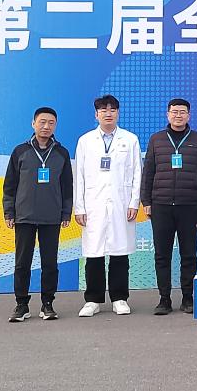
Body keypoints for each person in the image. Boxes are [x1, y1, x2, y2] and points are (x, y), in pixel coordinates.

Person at [141, 98, 197, 315]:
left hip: (189, 206)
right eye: (174, 112)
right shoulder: (157, 139)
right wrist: (146, 201)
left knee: (189, 255)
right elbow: (148, 173)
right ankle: (164, 299)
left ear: (188, 115)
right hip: (161, 205)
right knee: (162, 255)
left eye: (182, 112)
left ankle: (188, 298)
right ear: (168, 114)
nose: (178, 115)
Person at [2, 107, 73, 323]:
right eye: (42, 122)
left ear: (55, 126)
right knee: (22, 263)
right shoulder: (20, 151)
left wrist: (66, 212)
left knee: (50, 263)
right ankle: (21, 304)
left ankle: (47, 304)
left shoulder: (61, 153)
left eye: (51, 123)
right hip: (24, 216)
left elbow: (67, 186)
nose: (46, 126)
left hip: (51, 217)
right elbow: (10, 185)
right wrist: (9, 211)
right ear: (33, 123)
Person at [73, 95, 142, 317]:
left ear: (118, 113)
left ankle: (119, 298)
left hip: (121, 203)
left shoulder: (130, 140)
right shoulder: (85, 141)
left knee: (120, 253)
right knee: (94, 253)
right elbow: (79, 176)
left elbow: (137, 173)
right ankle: (92, 300)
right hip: (93, 204)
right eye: (103, 110)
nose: (108, 113)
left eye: (112, 109)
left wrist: (134, 202)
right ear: (96, 114)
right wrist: (79, 207)